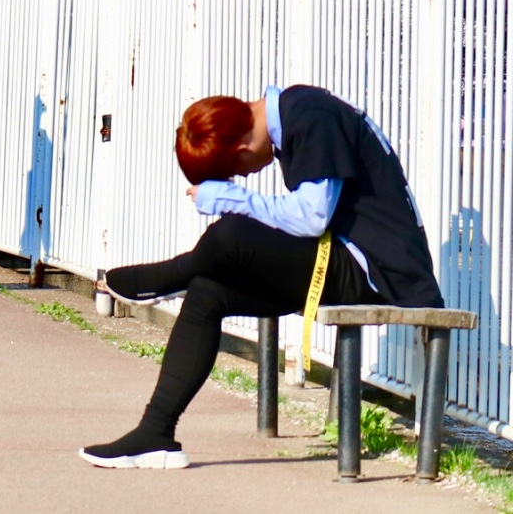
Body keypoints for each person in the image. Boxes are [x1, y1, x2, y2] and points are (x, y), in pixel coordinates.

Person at [80, 85, 444, 470]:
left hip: (378, 273)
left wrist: (232, 199)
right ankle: (155, 435)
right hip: (341, 257)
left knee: (230, 234)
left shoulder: (310, 114)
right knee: (207, 293)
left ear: (240, 151)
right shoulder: (295, 118)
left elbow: (311, 216)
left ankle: (176, 272)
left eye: (235, 172)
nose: (245, 175)